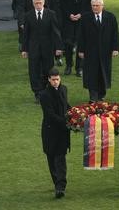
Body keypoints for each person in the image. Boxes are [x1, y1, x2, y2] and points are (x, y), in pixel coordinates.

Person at [21, 0, 63, 103]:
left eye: (40, 3)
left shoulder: (51, 14)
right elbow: (26, 34)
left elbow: (55, 32)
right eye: (36, 3)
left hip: (48, 48)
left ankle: (46, 91)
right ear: (33, 3)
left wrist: (58, 47)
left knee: (48, 69)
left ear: (43, 3)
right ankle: (37, 93)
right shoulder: (28, 15)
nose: (38, 5)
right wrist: (24, 49)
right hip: (33, 48)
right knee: (34, 70)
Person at [78, 0, 119, 101]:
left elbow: (115, 34)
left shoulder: (110, 17)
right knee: (91, 73)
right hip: (90, 51)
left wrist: (115, 48)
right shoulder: (85, 18)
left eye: (97, 6)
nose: (95, 8)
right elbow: (81, 35)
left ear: (102, 6)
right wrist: (81, 50)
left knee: (103, 72)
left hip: (105, 51)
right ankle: (93, 96)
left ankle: (101, 95)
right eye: (93, 6)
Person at [40, 67, 71, 199]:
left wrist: (76, 114)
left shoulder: (64, 89)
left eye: (57, 79)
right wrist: (66, 122)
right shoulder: (44, 95)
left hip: (62, 132)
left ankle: (60, 186)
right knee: (51, 158)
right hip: (50, 131)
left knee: (60, 158)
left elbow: (66, 105)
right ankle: (57, 183)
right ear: (49, 79)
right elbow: (50, 115)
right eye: (53, 80)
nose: (56, 82)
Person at [61, 0, 96, 77]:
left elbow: (92, 3)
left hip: (83, 19)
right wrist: (69, 14)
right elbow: (62, 2)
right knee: (68, 43)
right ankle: (69, 65)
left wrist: (82, 14)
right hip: (69, 18)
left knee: (82, 43)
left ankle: (79, 68)